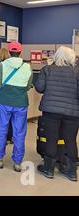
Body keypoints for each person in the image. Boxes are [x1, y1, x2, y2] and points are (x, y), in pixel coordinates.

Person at [35, 46, 79, 182]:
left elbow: (39, 88)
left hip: (50, 111)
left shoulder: (47, 70)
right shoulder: (77, 72)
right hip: (72, 112)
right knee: (70, 140)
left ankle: (49, 169)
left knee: (51, 139)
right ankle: (71, 172)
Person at [0, 41, 33, 172]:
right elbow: (28, 86)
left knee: (1, 130)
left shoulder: (2, 65)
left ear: (9, 52)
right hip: (21, 103)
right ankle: (17, 162)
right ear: (20, 52)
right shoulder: (28, 67)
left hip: (4, 102)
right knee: (19, 133)